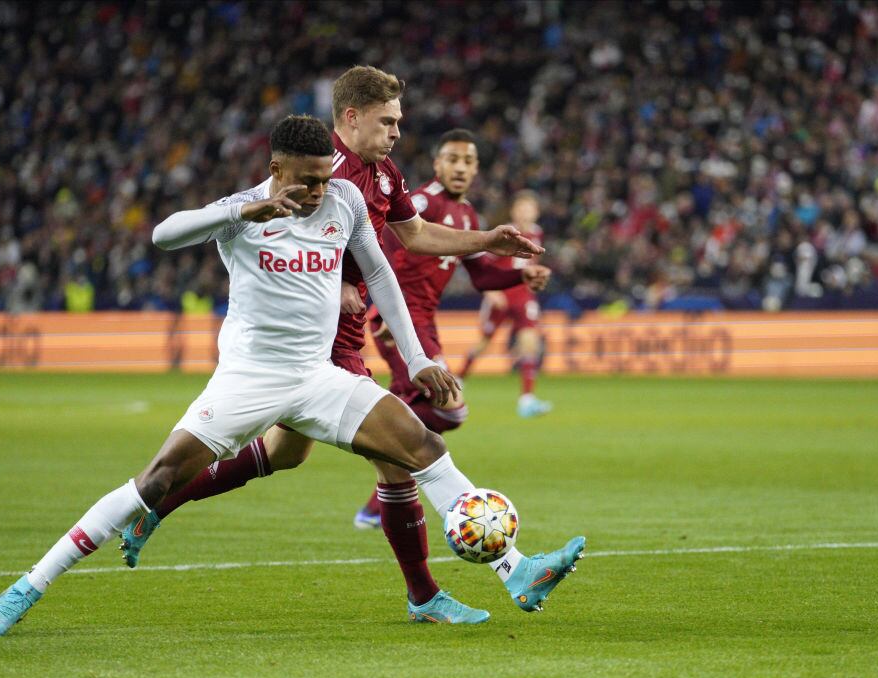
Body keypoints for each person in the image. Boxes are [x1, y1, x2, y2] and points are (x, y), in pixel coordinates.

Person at [0, 116, 585, 635]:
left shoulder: (344, 200)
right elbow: (163, 235)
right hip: (249, 379)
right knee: (157, 478)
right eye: (307, 179)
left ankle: (515, 568)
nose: (320, 189)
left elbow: (380, 274)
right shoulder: (240, 211)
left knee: (422, 445)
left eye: (325, 176)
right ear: (276, 168)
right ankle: (30, 584)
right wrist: (246, 209)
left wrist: (419, 358)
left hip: (318, 377)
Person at [120, 66, 557, 621]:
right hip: (315, 343)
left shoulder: (382, 173)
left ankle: (156, 505)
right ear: (351, 117)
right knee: (402, 455)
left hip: (345, 336)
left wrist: (487, 240)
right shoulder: (322, 171)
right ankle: (491, 575)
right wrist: (337, 286)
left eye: (398, 121)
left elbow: (415, 236)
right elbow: (276, 240)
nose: (397, 132)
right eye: (387, 121)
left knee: (286, 453)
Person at [365, 128, 551, 441]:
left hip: (424, 321)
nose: (460, 168)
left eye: (467, 161)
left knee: (422, 429)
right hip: (401, 320)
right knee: (451, 409)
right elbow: (384, 241)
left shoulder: (467, 216)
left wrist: (521, 276)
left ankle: (386, 444)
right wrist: (386, 310)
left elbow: (482, 276)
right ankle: (364, 424)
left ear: (476, 169)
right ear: (437, 164)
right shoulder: (422, 202)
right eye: (452, 159)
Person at [460, 191, 552, 417]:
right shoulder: (505, 234)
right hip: (501, 295)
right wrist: (490, 291)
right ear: (513, 211)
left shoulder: (537, 233)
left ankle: (526, 400)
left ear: (536, 212)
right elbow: (482, 262)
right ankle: (458, 380)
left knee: (530, 343)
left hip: (523, 296)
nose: (525, 213)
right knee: (484, 342)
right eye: (521, 208)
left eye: (529, 208)